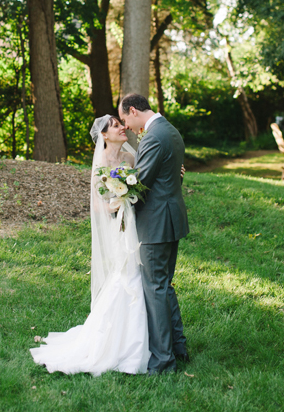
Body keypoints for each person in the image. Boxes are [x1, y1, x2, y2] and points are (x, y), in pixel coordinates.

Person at [30, 115, 150, 375]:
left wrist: (130, 198)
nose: (122, 128)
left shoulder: (130, 159)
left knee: (137, 271)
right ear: (105, 135)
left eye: (121, 124)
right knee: (126, 274)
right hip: (116, 223)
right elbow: (97, 203)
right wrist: (116, 203)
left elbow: (144, 184)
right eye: (116, 126)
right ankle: (116, 340)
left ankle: (140, 338)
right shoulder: (101, 162)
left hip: (134, 222)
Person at [118, 93, 189, 375]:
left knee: (155, 288)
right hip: (171, 219)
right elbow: (169, 174)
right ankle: (179, 349)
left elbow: (140, 185)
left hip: (156, 223)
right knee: (164, 285)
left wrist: (115, 201)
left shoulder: (153, 137)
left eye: (126, 120)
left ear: (133, 110)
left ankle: (162, 361)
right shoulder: (170, 130)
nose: (128, 127)